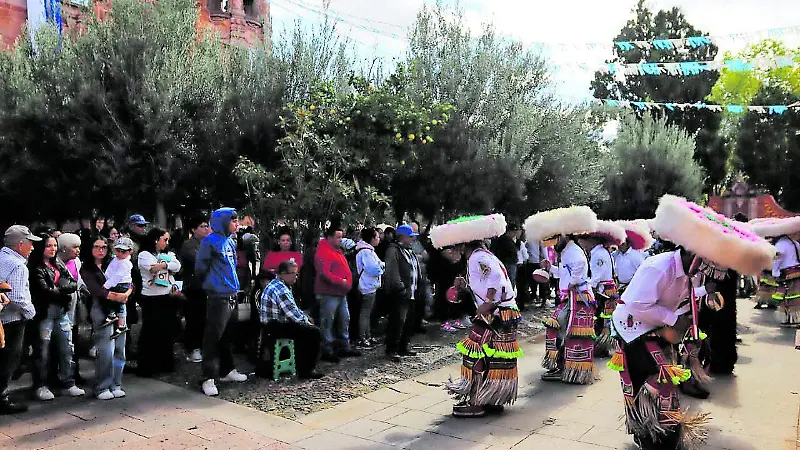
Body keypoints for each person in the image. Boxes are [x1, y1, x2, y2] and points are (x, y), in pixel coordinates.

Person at [609, 194, 774, 450]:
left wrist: (704, 292)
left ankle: (659, 432)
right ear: (692, 252)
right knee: (654, 378)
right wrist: (674, 319)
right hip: (632, 328)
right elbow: (636, 305)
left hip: (656, 327)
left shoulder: (691, 272)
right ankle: (651, 433)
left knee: (662, 379)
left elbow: (682, 293)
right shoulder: (659, 267)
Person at [430, 214, 521, 418]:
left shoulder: (477, 258)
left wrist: (488, 302)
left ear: (463, 245)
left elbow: (496, 279)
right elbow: (490, 279)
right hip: (503, 312)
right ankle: (492, 399)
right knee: (495, 358)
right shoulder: (483, 255)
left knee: (475, 354)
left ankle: (477, 402)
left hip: (495, 313)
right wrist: (465, 286)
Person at [524, 206, 602, 385]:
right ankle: (567, 368)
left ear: (564, 235)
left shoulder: (573, 251)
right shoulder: (567, 250)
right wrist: (550, 268)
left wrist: (573, 282)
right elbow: (565, 273)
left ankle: (566, 369)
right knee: (561, 331)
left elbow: (579, 267)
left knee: (561, 330)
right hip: (573, 297)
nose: (553, 245)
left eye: (554, 240)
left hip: (577, 298)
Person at [195, 208, 248, 397]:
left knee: (228, 336)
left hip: (232, 294)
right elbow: (200, 268)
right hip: (218, 296)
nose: (237, 224)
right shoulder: (209, 242)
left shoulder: (230, 241)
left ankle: (227, 370)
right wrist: (213, 285)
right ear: (223, 222)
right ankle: (207, 377)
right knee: (213, 338)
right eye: (233, 221)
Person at [28, 233, 85, 401]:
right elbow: (44, 290)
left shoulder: (57, 263)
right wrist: (62, 291)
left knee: (67, 347)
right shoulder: (35, 267)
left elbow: (72, 282)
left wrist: (60, 289)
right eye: (48, 246)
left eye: (54, 245)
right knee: (43, 350)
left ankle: (68, 382)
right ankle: (41, 385)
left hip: (61, 311)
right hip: (45, 312)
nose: (53, 249)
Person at [80, 237, 132, 400]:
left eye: (103, 247)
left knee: (120, 347)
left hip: (120, 307)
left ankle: (116, 384)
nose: (101, 250)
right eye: (96, 247)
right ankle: (102, 386)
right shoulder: (87, 268)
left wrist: (126, 294)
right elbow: (97, 290)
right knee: (106, 349)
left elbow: (131, 281)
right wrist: (117, 296)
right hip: (101, 308)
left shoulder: (117, 260)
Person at [260, 259, 323, 379]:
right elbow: (292, 314)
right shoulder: (281, 289)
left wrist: (305, 318)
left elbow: (293, 309)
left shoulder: (277, 284)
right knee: (314, 332)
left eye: (297, 273)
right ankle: (307, 370)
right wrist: (307, 322)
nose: (296, 277)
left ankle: (301, 365)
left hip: (273, 324)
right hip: (274, 326)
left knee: (305, 327)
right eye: (294, 273)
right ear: (284, 274)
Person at [0, 226, 40, 414]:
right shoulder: (17, 265)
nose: (33, 247)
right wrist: (31, 312)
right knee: (9, 359)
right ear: (20, 244)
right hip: (12, 320)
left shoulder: (2, 258)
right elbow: (17, 297)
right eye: (30, 243)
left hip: (2, 319)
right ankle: (1, 398)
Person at [137, 227, 182, 377]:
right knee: (151, 332)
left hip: (167, 296)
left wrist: (163, 265)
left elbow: (177, 265)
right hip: (151, 298)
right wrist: (166, 265)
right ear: (156, 239)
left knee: (166, 332)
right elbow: (152, 268)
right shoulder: (144, 255)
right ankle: (147, 366)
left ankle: (165, 363)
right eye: (165, 239)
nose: (167, 243)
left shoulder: (168, 254)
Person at [314, 226, 360, 362]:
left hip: (340, 293)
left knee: (344, 319)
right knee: (327, 321)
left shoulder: (337, 251)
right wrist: (341, 281)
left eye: (341, 237)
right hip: (328, 293)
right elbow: (324, 273)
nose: (341, 239)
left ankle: (343, 346)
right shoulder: (324, 252)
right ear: (329, 238)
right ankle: (327, 349)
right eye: (338, 237)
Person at [383, 225, 421, 362]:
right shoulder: (393, 250)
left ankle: (403, 347)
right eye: (410, 237)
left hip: (411, 292)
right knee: (397, 321)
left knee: (408, 321)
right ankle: (392, 349)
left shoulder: (408, 250)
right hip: (400, 293)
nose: (412, 239)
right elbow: (392, 271)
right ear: (402, 237)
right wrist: (400, 287)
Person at [179, 216, 211, 363]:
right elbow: (202, 261)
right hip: (194, 287)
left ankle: (204, 346)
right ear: (193, 229)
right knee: (194, 319)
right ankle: (193, 348)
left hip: (208, 286)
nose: (206, 229)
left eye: (207, 226)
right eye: (202, 226)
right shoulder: (189, 245)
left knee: (206, 318)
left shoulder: (208, 243)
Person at [354, 227, 384, 348]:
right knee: (365, 313)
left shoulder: (369, 251)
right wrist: (382, 268)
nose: (379, 239)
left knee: (367, 313)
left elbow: (379, 263)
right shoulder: (366, 252)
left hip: (369, 285)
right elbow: (374, 269)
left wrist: (380, 265)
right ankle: (363, 337)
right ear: (372, 239)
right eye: (377, 237)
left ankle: (367, 335)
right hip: (367, 286)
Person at [101, 237, 134, 338]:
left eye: (123, 251)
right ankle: (114, 316)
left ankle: (120, 323)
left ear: (130, 251)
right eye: (118, 250)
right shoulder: (115, 259)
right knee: (116, 303)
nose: (119, 253)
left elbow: (117, 276)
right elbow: (110, 272)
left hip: (121, 284)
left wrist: (106, 285)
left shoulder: (126, 263)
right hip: (115, 283)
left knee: (119, 302)